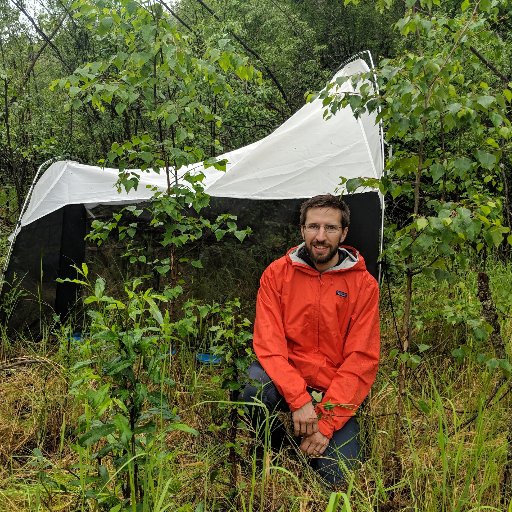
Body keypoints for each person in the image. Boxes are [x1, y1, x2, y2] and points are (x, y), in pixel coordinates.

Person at [241, 194, 380, 486]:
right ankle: (277, 445)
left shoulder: (364, 285)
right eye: (313, 226)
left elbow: (361, 360)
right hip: (287, 384)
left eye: (330, 228)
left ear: (343, 233)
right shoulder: (277, 275)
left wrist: (326, 423)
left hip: (332, 391)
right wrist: (299, 399)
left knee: (340, 479)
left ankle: (314, 439)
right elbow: (269, 345)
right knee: (254, 387)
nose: (320, 236)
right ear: (302, 230)